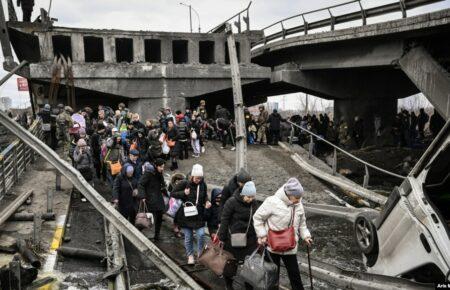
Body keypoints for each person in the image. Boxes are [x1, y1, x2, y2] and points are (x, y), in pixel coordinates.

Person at [253, 178, 313, 290]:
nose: (299, 200)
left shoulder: (298, 205)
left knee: (295, 275)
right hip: (272, 246)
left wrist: (306, 236)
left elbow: (302, 224)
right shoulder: (272, 201)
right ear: (289, 194)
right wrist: (262, 235)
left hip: (290, 246)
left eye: (300, 197)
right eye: (297, 197)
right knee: (272, 276)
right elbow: (258, 218)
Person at [218, 181, 258, 290]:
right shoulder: (231, 202)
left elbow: (257, 220)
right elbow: (224, 219)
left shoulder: (253, 203)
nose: (250, 199)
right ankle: (229, 284)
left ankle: (249, 286)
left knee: (250, 265)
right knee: (230, 263)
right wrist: (221, 237)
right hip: (232, 239)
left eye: (252, 197)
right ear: (242, 194)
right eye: (248, 197)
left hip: (249, 239)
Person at [170, 164, 211, 265]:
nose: (198, 180)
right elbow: (172, 193)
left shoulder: (203, 184)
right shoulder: (184, 183)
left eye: (200, 178)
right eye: (197, 178)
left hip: (198, 214)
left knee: (201, 235)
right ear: (192, 176)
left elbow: (205, 195)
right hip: (186, 214)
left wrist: (207, 201)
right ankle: (190, 256)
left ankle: (200, 254)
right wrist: (184, 193)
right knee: (188, 237)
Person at [138, 158, 167, 241]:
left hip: (158, 198)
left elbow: (161, 185)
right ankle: (138, 231)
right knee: (148, 219)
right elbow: (141, 184)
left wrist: (167, 193)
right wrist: (142, 196)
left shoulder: (159, 173)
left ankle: (157, 236)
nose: (162, 168)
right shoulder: (149, 173)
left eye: (163, 167)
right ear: (156, 166)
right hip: (150, 199)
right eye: (161, 167)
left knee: (159, 217)